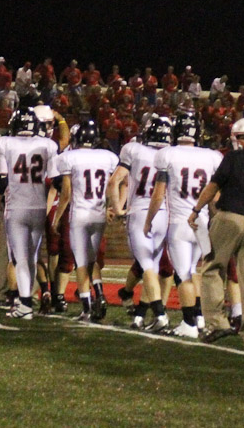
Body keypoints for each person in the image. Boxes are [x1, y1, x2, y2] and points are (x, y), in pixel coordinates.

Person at [191, 121, 244, 345]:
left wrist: (196, 209)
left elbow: (213, 186)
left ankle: (218, 323)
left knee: (211, 268)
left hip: (229, 218)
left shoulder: (233, 158)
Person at [146, 112, 222, 338]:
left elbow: (158, 195)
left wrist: (149, 220)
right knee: (196, 271)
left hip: (180, 224)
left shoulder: (167, 154)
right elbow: (216, 196)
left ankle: (189, 323)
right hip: (203, 223)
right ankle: (199, 317)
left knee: (183, 275)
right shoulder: (212, 156)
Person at [0, 108, 59, 319]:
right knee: (32, 257)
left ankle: (25, 305)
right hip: (38, 207)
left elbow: (1, 181)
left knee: (19, 258)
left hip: (16, 207)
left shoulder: (5, 143)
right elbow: (55, 180)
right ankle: (29, 301)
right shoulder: (48, 145)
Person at [108, 115, 172, 331]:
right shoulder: (172, 154)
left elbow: (114, 181)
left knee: (147, 266)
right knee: (151, 265)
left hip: (140, 212)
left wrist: (117, 209)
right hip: (164, 213)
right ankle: (140, 316)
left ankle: (160, 315)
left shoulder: (133, 149)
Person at [52, 120, 118, 321]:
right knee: (92, 259)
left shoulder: (69, 157)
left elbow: (66, 193)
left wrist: (57, 217)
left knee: (81, 263)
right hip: (98, 213)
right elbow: (113, 184)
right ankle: (99, 293)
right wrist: (112, 206)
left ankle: (87, 307)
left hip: (80, 214)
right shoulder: (107, 157)